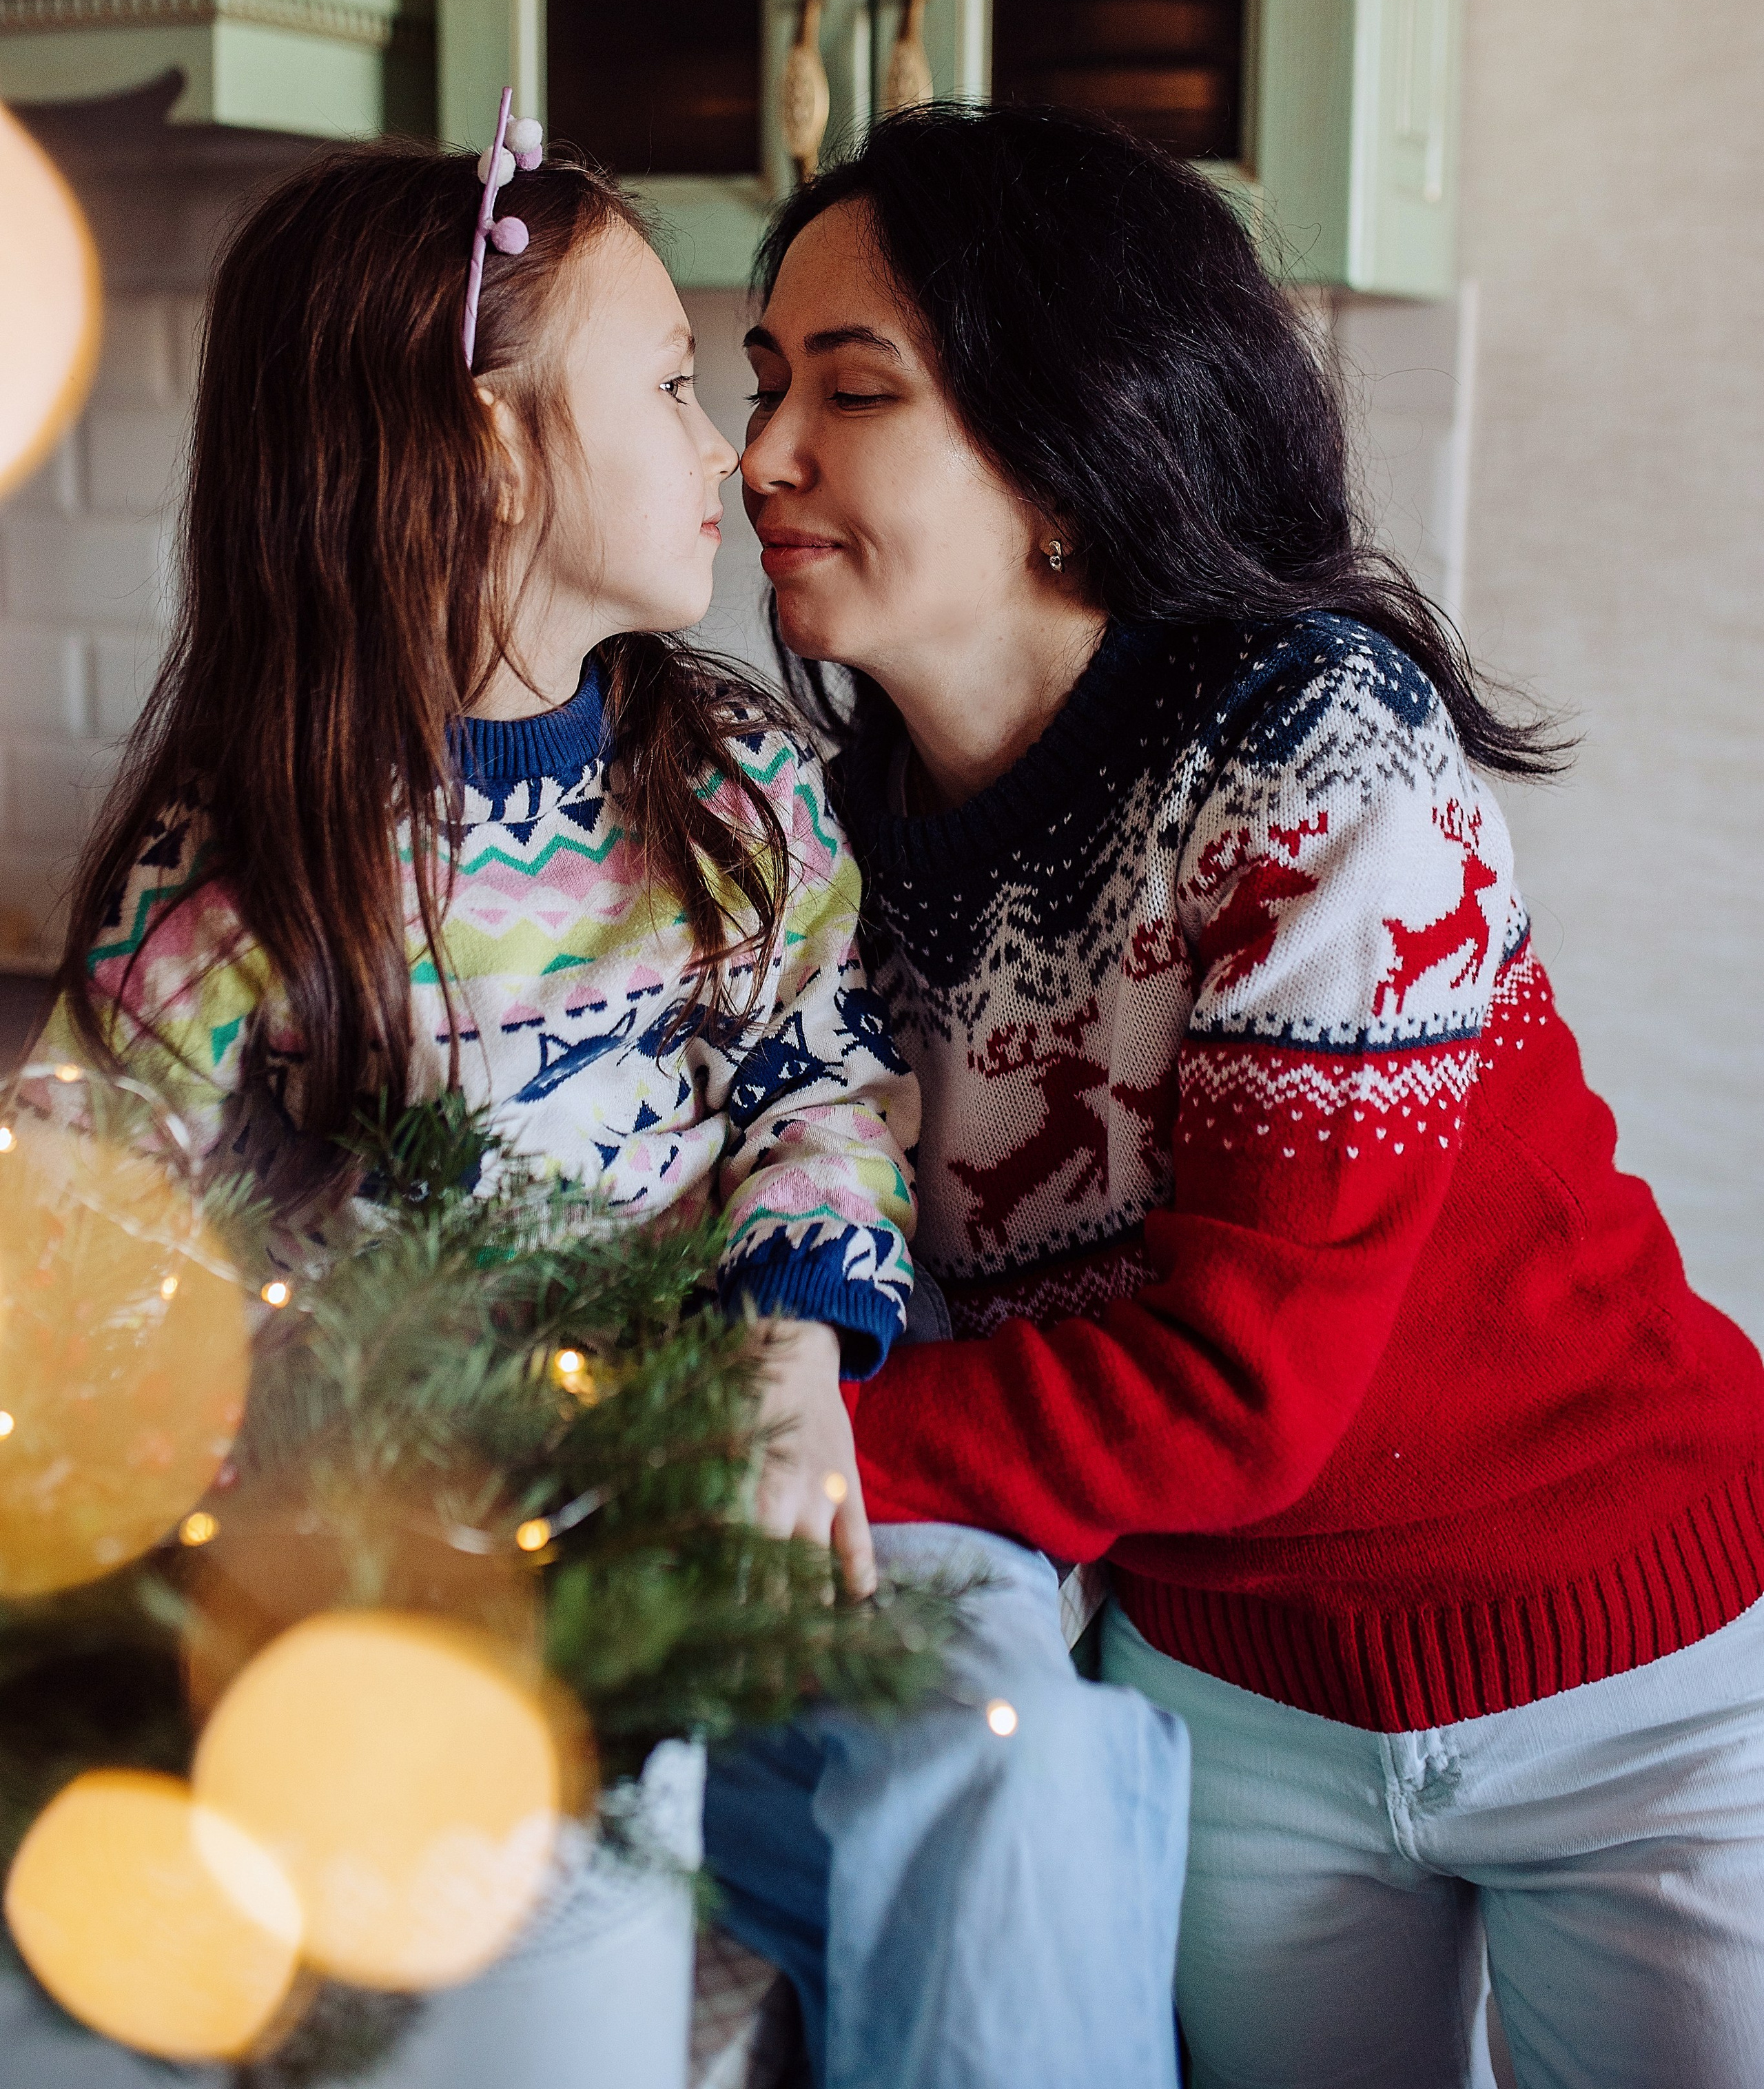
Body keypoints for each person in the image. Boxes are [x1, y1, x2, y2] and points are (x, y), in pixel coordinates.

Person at [20, 116, 1187, 2089]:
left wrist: (797, 1351)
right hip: (416, 1540)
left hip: (741, 1462)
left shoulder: (728, 770)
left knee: (1006, 1713)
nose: (733, 451)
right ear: (488, 455)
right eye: (668, 385)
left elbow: (820, 1072)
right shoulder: (245, 867)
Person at [714, 100, 1764, 2089]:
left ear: (1062, 452)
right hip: (1237, 1709)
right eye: (763, 384)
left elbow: (1240, 1390)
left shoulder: (1316, 756)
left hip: (1635, 1677)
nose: (761, 455)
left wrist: (792, 1435)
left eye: (851, 391)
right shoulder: (826, 850)